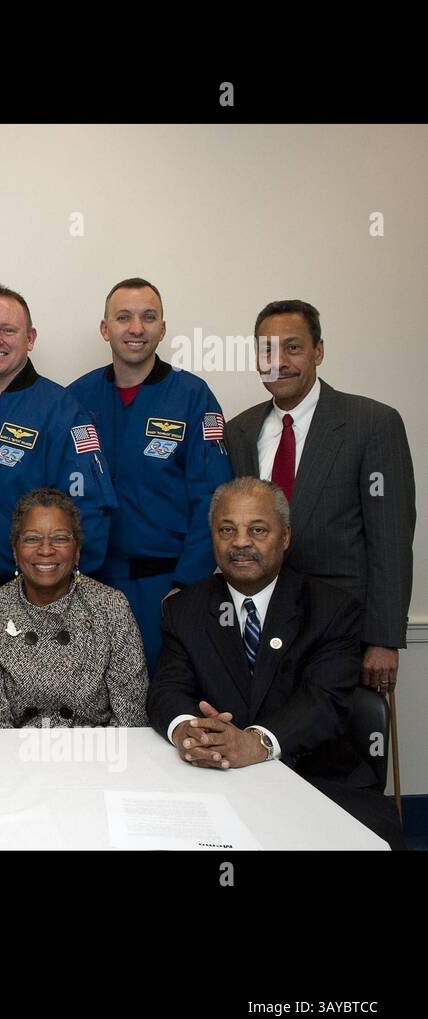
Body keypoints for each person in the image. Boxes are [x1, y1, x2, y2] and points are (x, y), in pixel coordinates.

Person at [148, 477, 403, 848]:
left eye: (257, 530)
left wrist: (257, 743)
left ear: (284, 537)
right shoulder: (183, 609)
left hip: (317, 777)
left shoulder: (332, 608)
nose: (240, 543)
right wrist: (188, 730)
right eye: (226, 530)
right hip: (214, 777)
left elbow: (324, 702)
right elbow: (167, 689)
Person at [225, 299, 415, 694]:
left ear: (318, 351)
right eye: (267, 350)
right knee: (270, 745)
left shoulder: (372, 424)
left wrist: (383, 639)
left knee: (339, 750)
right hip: (262, 631)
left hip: (344, 633)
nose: (279, 361)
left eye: (292, 347)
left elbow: (391, 540)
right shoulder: (240, 431)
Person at [0, 284, 116, 667]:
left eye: (9, 330)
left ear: (30, 338)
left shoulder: (61, 411)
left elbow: (89, 516)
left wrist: (56, 600)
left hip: (24, 608)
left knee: (14, 721)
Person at [68, 277, 232, 671]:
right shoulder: (76, 397)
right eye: (123, 317)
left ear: (162, 328)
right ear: (105, 328)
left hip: (165, 587)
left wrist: (187, 585)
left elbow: (215, 497)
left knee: (163, 701)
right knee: (93, 703)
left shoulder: (193, 396)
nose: (136, 328)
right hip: (87, 586)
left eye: (148, 317)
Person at [0, 488, 147, 729]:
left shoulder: (111, 607)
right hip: (16, 758)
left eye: (60, 538)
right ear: (15, 551)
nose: (46, 550)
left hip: (95, 756)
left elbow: (130, 716)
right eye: (31, 539)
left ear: (77, 550)